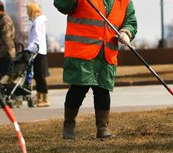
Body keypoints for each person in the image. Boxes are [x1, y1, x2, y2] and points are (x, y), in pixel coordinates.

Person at [54, 0, 137, 139]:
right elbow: (62, 5)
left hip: (106, 53)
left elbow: (131, 20)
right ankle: (68, 125)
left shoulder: (125, 1)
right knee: (78, 89)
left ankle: (102, 127)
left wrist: (126, 32)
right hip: (82, 52)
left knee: (103, 90)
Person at [26, 2, 50, 107]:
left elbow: (37, 38)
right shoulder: (36, 21)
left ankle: (44, 98)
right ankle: (39, 96)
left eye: (28, 10)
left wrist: (29, 49)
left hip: (38, 52)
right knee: (37, 76)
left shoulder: (38, 22)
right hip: (36, 51)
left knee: (40, 76)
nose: (27, 12)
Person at [0, 1, 16, 89]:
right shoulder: (0, 19)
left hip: (5, 55)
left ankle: (5, 98)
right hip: (1, 55)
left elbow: (7, 39)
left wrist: (5, 54)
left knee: (5, 78)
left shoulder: (5, 20)